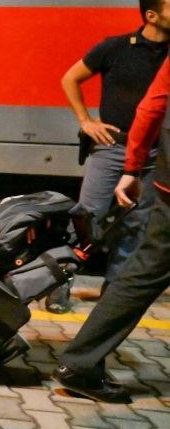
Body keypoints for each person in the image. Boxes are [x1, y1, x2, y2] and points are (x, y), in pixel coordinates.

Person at [53, 47, 169, 404]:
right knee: (140, 271)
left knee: (141, 273)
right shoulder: (116, 46)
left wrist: (132, 170)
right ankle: (79, 361)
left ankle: (80, 362)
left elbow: (153, 106)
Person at [45, 0, 170, 313]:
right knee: (87, 219)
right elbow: (70, 78)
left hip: (155, 155)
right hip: (113, 149)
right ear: (152, 15)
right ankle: (61, 283)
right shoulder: (115, 48)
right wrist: (86, 121)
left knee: (136, 228)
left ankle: (113, 296)